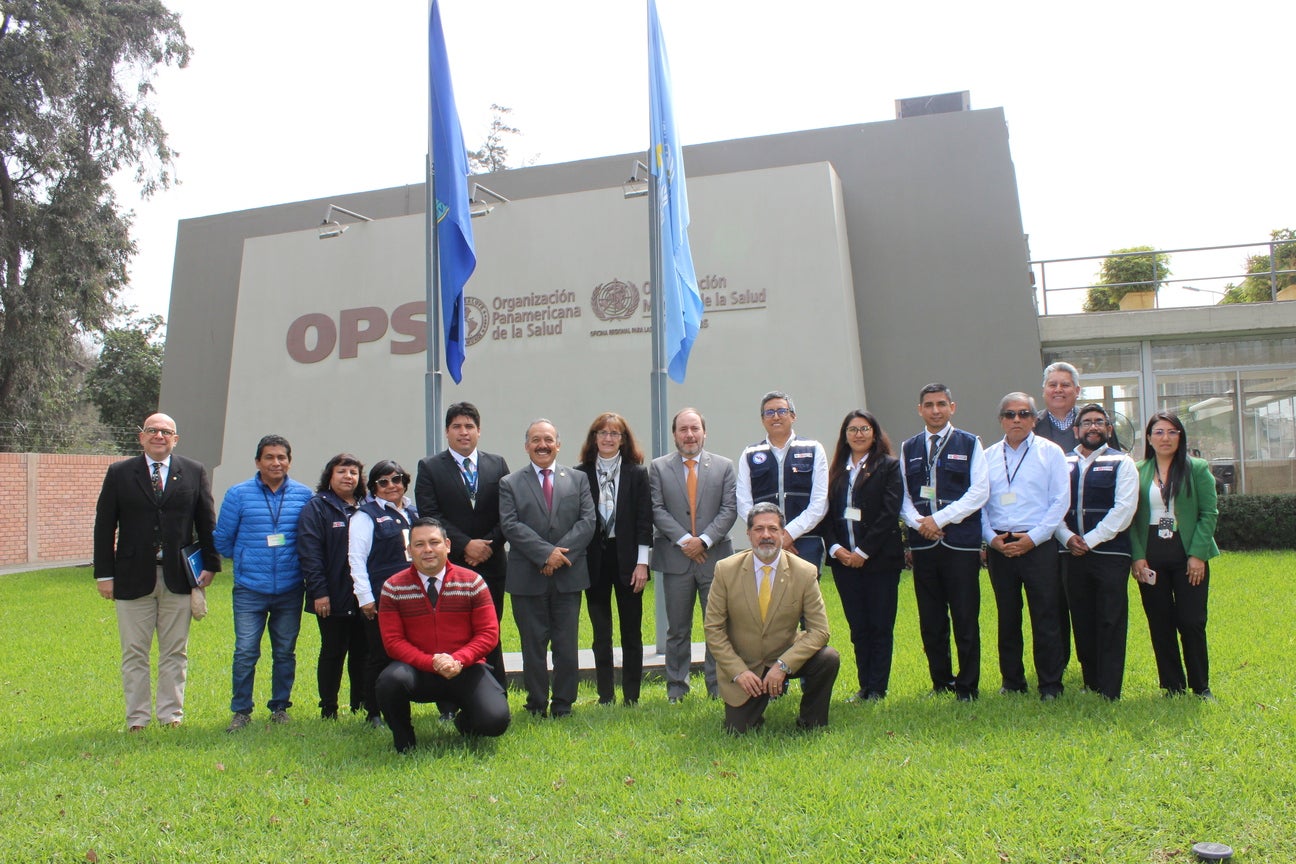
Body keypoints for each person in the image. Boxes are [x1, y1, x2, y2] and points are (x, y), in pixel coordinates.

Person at [93, 413, 219, 731]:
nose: (159, 436)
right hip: (131, 577)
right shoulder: (120, 473)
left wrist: (210, 565)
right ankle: (137, 719)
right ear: (141, 437)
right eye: (153, 431)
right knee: (134, 652)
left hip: (179, 576)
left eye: (166, 432)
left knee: (175, 651)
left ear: (175, 439)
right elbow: (104, 525)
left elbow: (206, 522)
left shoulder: (193, 471)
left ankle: (170, 716)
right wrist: (104, 575)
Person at [375, 518, 510, 752]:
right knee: (389, 682)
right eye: (419, 544)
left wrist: (458, 659)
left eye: (434, 542)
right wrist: (432, 662)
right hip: (416, 671)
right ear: (408, 550)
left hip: (464, 669)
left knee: (495, 721)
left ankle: (465, 723)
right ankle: (404, 738)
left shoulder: (473, 582)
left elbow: (488, 634)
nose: (427, 550)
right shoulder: (393, 587)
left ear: (447, 545)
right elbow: (393, 642)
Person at [704, 503, 840, 733]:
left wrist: (783, 666)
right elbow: (713, 630)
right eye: (758, 529)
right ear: (748, 534)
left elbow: (820, 631)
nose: (765, 535)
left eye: (772, 529)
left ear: (782, 533)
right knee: (739, 731)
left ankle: (811, 722)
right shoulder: (725, 570)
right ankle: (752, 701)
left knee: (828, 657)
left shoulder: (805, 572)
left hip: (785, 655)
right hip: (746, 666)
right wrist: (739, 672)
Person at [215, 434, 314, 731]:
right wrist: (247, 558)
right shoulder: (238, 494)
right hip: (249, 589)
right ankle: (241, 710)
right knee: (246, 651)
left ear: (290, 461)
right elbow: (222, 540)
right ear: (258, 461)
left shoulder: (304, 495)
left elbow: (309, 539)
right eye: (269, 457)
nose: (276, 462)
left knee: (285, 651)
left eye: (282, 457)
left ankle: (280, 707)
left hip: (290, 587)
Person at [499, 419, 596, 718]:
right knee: (533, 644)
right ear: (526, 445)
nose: (543, 445)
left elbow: (587, 521)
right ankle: (536, 703)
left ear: (558, 444)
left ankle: (564, 703)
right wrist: (545, 555)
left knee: (566, 644)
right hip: (527, 577)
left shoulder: (577, 479)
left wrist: (558, 556)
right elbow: (510, 525)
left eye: (548, 439)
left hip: (568, 576)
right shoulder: (510, 483)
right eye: (536, 440)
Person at [899, 383, 988, 700]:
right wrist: (918, 523)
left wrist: (940, 519)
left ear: (953, 407)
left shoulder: (969, 443)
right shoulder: (908, 447)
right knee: (931, 618)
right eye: (928, 405)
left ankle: (967, 686)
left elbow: (979, 492)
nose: (935, 410)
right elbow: (904, 497)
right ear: (919, 409)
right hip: (924, 545)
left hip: (959, 543)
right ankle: (940, 681)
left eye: (941, 404)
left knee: (965, 616)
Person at [415, 402, 510, 690]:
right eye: (457, 426)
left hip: (492, 564)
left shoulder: (497, 464)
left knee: (489, 630)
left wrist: (487, 546)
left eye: (469, 426)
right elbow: (430, 516)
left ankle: (495, 692)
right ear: (447, 432)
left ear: (479, 431)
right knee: (452, 632)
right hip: (451, 565)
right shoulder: (430, 467)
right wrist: (466, 545)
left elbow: (508, 513)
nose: (463, 432)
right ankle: (451, 698)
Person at [981, 393, 1070, 700]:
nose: (1016, 419)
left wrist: (1034, 538)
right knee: (1008, 616)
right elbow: (979, 503)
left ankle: (1050, 684)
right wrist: (991, 538)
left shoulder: (1051, 453)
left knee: (1045, 615)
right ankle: (1012, 681)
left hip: (1038, 544)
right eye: (1009, 414)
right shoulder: (988, 455)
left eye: (1023, 414)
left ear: (1034, 419)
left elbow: (1060, 501)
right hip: (1000, 545)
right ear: (1001, 420)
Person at [649, 407, 738, 703]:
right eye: (683, 429)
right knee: (677, 629)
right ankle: (677, 689)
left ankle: (717, 687)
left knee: (717, 626)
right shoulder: (658, 468)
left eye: (694, 428)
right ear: (674, 434)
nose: (689, 435)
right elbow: (657, 510)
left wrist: (705, 541)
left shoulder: (724, 467)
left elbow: (729, 509)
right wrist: (687, 540)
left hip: (715, 561)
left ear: (704, 432)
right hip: (676, 560)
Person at [1131, 412, 1220, 699]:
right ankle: (1172, 686)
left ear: (1180, 436)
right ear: (1148, 438)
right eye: (1159, 432)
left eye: (1172, 432)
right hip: (1151, 552)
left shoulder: (1196, 468)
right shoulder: (1137, 470)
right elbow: (1130, 518)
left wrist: (1197, 555)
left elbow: (1209, 514)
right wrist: (1137, 557)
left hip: (1187, 551)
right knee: (1160, 621)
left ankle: (1200, 685)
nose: (1165, 438)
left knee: (1192, 620)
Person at [820, 409, 905, 702]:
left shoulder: (889, 467)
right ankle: (864, 685)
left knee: (880, 625)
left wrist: (863, 551)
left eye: (865, 429)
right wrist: (836, 549)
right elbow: (825, 514)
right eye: (853, 429)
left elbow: (889, 513)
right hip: (844, 563)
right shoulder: (835, 470)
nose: (859, 434)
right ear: (845, 435)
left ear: (875, 432)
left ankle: (878, 688)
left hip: (879, 561)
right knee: (859, 627)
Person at [1055, 404, 1138, 700]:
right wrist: (1067, 537)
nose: (1093, 427)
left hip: (1110, 554)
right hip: (1070, 553)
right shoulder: (1061, 462)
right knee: (1081, 616)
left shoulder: (1122, 462)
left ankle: (1111, 687)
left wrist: (1089, 540)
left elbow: (1124, 509)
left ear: (1109, 430)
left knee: (1110, 618)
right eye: (1086, 422)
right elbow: (1051, 506)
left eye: (1099, 422)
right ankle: (1091, 681)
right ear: (1076, 430)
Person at [576, 412, 652, 705]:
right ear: (594, 438)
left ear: (623, 440)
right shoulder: (580, 473)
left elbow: (645, 521)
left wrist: (642, 562)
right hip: (594, 560)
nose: (608, 438)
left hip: (629, 560)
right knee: (601, 633)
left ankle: (631, 696)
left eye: (614, 433)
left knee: (631, 631)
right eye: (602, 432)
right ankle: (605, 694)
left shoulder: (636, 474)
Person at [296, 452, 367, 719]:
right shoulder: (317, 507)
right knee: (333, 652)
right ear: (330, 476)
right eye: (342, 471)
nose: (348, 477)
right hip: (332, 595)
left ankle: (360, 704)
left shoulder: (367, 506)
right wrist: (319, 593)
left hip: (362, 595)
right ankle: (329, 708)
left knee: (362, 652)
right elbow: (310, 553)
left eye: (353, 472)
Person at [349, 460, 418, 727]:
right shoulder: (365, 516)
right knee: (379, 653)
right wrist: (365, 598)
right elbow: (356, 559)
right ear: (374, 487)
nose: (392, 486)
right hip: (382, 598)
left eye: (397, 479)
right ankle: (374, 712)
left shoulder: (413, 512)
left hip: (414, 596)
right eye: (383, 481)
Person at [736, 390, 829, 570]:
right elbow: (743, 501)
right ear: (763, 419)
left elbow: (820, 502)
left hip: (806, 540)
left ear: (793, 416)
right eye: (769, 413)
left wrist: (788, 534)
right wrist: (769, 533)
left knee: (804, 595)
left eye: (781, 411)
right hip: (765, 540)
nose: (775, 416)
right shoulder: (750, 453)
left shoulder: (813, 449)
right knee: (767, 594)